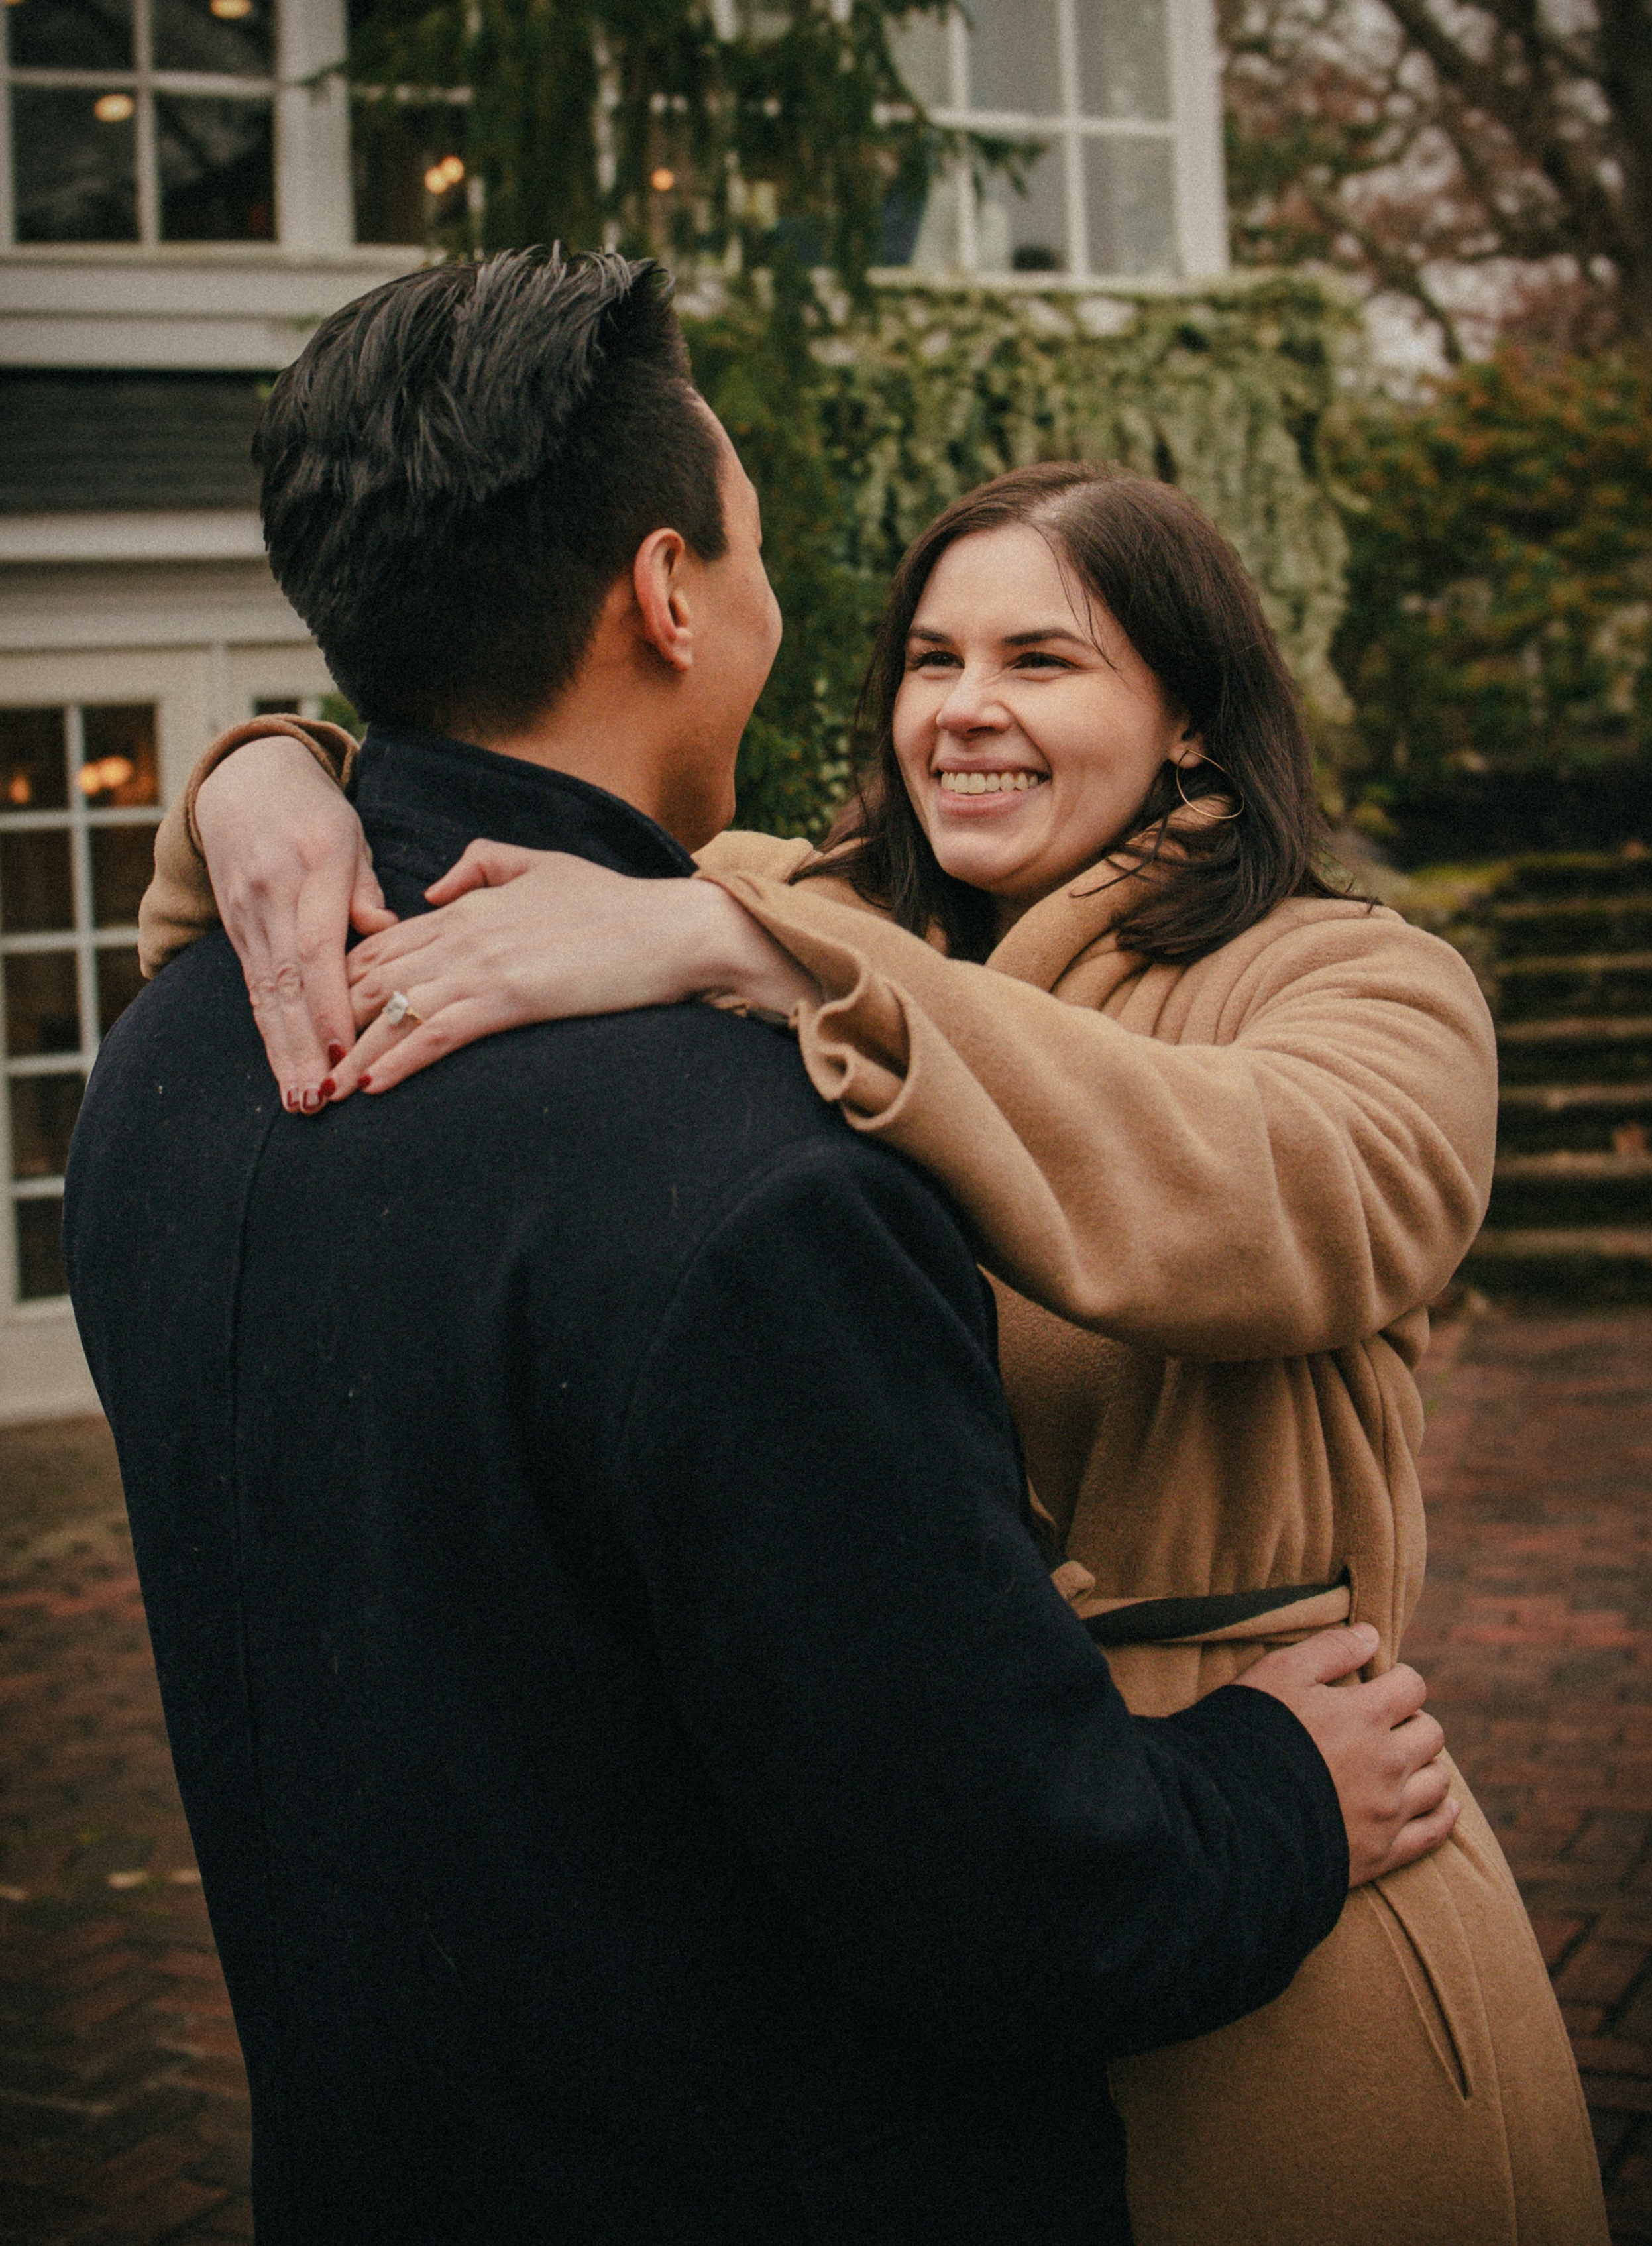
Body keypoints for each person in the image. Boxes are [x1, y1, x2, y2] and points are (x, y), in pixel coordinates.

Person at [66, 249, 1456, 2246]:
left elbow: (1301, 1172)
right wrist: (267, 770)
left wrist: (737, 935)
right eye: (925, 653)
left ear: (1196, 722)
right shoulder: (758, 1166)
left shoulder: (176, 1065)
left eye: (1044, 661)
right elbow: (1021, 1905)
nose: (960, 707)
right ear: (668, 594)